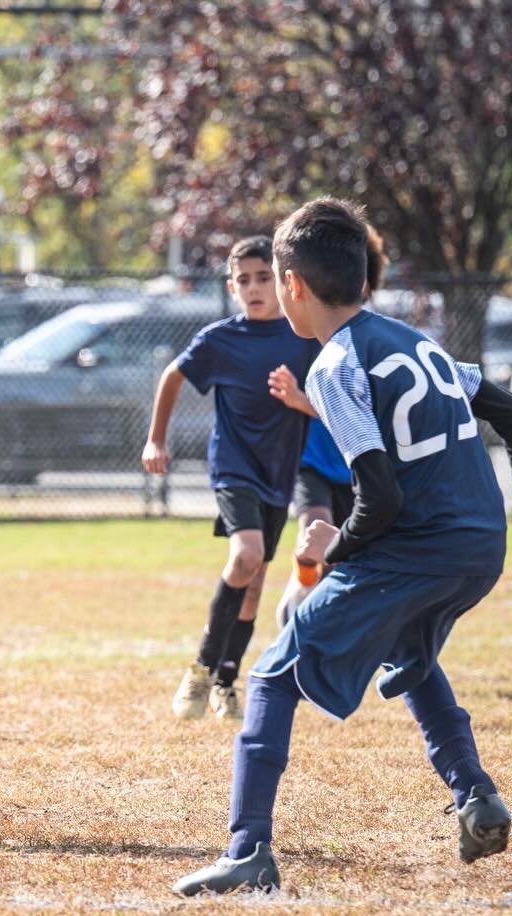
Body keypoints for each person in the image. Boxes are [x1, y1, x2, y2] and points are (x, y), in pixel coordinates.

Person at [174, 197, 512, 895]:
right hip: (479, 545)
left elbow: (378, 497)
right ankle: (477, 795)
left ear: (292, 284)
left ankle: (247, 850)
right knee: (409, 654)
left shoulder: (334, 366)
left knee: (272, 677)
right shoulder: (414, 341)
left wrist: (332, 550)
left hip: (419, 547)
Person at [142, 236, 321, 721]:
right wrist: (156, 439)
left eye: (264, 278)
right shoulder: (219, 339)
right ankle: (201, 669)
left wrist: (299, 400)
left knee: (254, 583)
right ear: (231, 287)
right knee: (246, 556)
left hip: (278, 472)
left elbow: (331, 407)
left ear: (284, 282)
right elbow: (173, 376)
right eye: (244, 280)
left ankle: (225, 680)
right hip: (232, 468)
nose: (254, 288)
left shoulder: (305, 339)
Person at [267, 227, 387, 626]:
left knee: (340, 555)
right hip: (315, 462)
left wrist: (301, 400)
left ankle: (321, 614)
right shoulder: (310, 332)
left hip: (357, 467)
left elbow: (356, 414)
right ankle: (300, 590)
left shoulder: (371, 343)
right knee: (312, 528)